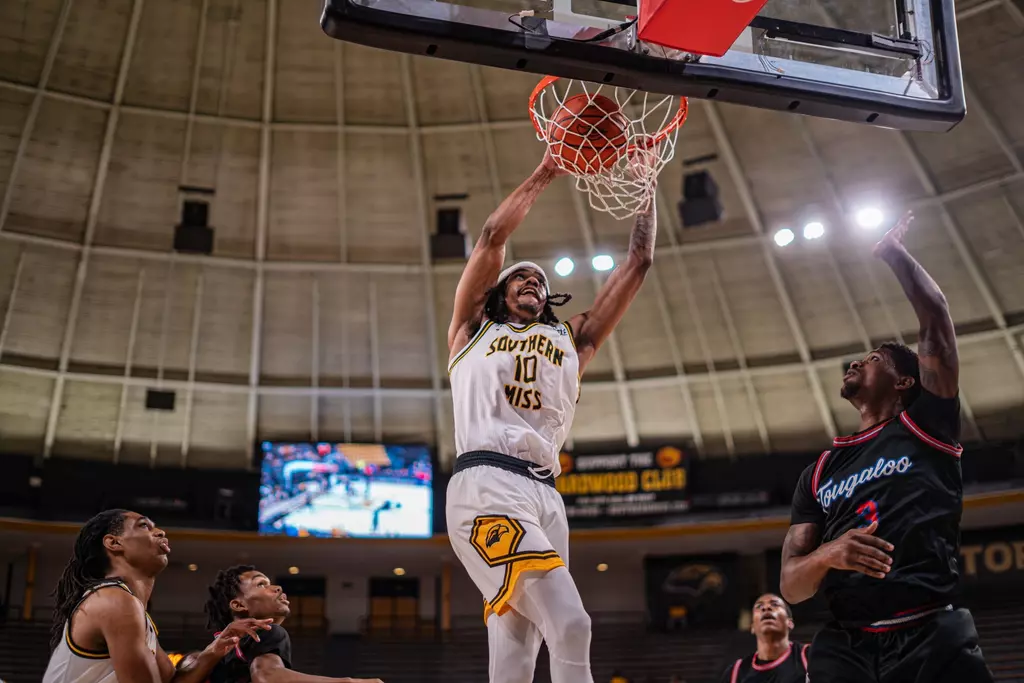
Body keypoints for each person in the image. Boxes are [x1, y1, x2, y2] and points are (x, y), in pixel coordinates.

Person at [445, 148, 659, 683]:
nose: (532, 280)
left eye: (539, 279)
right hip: (487, 482)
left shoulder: (571, 341)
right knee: (572, 623)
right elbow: (492, 237)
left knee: (518, 651)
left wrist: (646, 188)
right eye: (520, 277)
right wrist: (548, 168)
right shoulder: (473, 330)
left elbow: (639, 263)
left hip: (546, 493)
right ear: (498, 293)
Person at [780, 213, 994, 683]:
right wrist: (827, 555)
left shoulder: (927, 424)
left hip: (930, 632)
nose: (857, 360)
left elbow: (936, 318)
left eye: (873, 358)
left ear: (902, 381)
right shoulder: (819, 472)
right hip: (847, 645)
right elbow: (792, 586)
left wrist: (893, 254)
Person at [43, 509, 269, 683]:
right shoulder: (113, 600)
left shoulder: (133, 610)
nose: (160, 532)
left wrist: (216, 648)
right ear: (114, 543)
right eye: (144, 526)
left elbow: (173, 680)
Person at [201, 564, 381, 683]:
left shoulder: (215, 652)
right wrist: (349, 682)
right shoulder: (268, 631)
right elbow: (267, 677)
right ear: (239, 604)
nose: (277, 588)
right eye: (261, 584)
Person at [720, 594, 808, 683]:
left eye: (775, 604)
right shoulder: (735, 673)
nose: (766, 608)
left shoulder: (808, 657)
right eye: (759, 606)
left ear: (789, 623)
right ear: (752, 627)